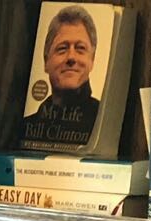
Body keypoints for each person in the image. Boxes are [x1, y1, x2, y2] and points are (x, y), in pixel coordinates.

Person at [24, 5, 102, 144]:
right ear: (46, 61)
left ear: (92, 59)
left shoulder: (105, 123)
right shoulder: (26, 128)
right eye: (62, 48)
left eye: (80, 48)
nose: (71, 57)